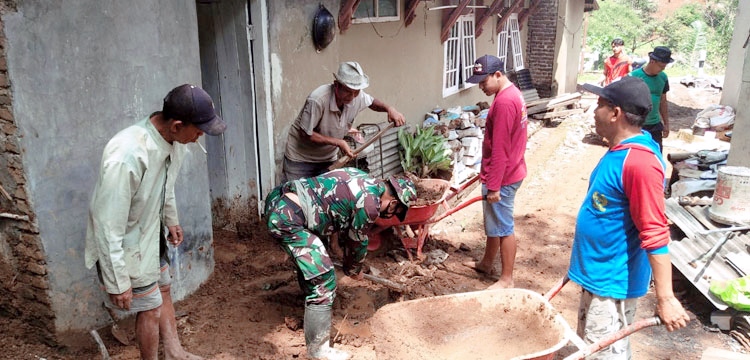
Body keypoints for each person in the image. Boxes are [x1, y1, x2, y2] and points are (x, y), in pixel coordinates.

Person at [85, 84, 227, 360]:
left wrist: (171, 219)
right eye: (198, 129)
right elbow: (106, 222)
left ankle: (174, 352)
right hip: (126, 245)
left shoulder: (175, 143)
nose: (200, 136)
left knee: (163, 290)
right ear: (176, 125)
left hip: (151, 234)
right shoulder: (128, 155)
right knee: (149, 307)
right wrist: (117, 279)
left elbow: (166, 185)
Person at [571, 77, 690, 359]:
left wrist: (666, 298)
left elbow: (655, 231)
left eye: (600, 104)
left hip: (612, 284)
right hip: (597, 274)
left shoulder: (639, 163)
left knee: (605, 353)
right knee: (591, 348)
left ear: (616, 114)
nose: (594, 111)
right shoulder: (623, 149)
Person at [264, 168, 416, 360]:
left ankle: (311, 302)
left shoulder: (360, 177)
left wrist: (343, 257)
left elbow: (334, 208)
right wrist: (354, 269)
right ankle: (318, 351)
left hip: (279, 201)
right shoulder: (370, 204)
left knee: (317, 262)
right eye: (396, 211)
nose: (390, 215)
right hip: (288, 218)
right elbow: (357, 240)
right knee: (324, 280)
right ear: (393, 202)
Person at [462, 55, 528, 289]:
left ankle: (507, 278)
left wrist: (494, 186)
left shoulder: (504, 102)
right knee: (493, 222)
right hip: (509, 170)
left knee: (503, 226)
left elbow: (500, 148)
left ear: (498, 75)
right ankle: (486, 263)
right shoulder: (513, 95)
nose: (480, 87)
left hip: (504, 176)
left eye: (483, 81)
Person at [282, 61, 406, 182]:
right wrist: (338, 142)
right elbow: (305, 134)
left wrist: (390, 109)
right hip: (300, 159)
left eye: (356, 92)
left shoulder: (357, 96)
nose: (352, 97)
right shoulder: (317, 99)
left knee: (326, 197)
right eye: (348, 91)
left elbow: (372, 102)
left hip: (328, 159)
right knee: (295, 196)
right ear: (336, 85)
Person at [629, 46, 673, 153]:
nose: (663, 69)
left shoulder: (663, 77)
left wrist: (666, 124)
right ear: (652, 61)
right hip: (637, 126)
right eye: (661, 66)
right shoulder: (634, 77)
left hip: (655, 125)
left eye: (665, 66)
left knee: (656, 155)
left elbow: (663, 101)